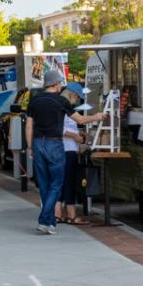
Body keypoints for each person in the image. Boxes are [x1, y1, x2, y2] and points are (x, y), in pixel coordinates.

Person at [24, 70, 104, 234]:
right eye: (59, 82)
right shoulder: (61, 101)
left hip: (38, 143)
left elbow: (29, 125)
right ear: (54, 84)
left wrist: (30, 146)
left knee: (44, 184)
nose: (61, 85)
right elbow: (80, 120)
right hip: (55, 144)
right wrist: (97, 117)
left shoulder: (34, 101)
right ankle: (45, 220)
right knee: (57, 184)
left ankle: (49, 221)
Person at [55, 83, 92, 226]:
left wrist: (78, 133)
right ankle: (70, 215)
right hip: (67, 149)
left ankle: (58, 214)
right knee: (68, 182)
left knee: (63, 182)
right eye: (77, 97)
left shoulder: (63, 107)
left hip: (67, 148)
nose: (77, 100)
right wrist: (74, 136)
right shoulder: (64, 107)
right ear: (71, 94)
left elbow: (66, 127)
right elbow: (60, 129)